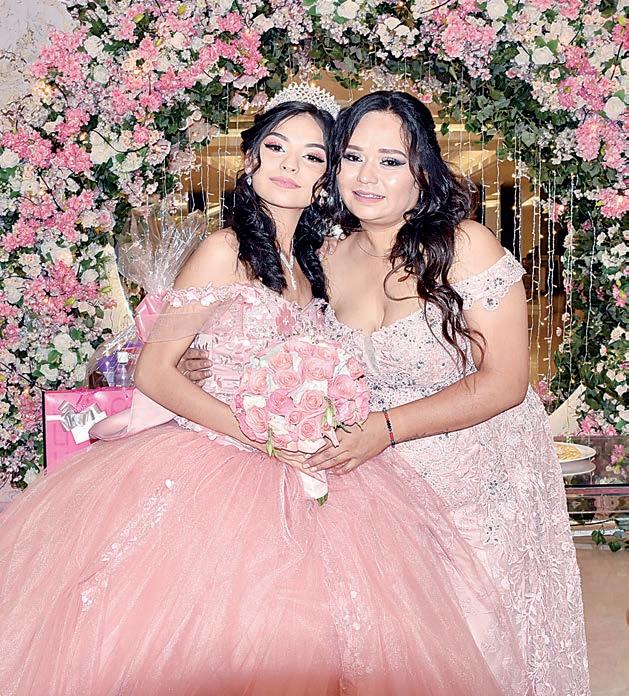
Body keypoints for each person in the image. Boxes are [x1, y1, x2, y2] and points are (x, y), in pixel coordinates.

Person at [0, 88, 528, 695]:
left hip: (314, 465)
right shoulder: (223, 248)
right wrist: (254, 426)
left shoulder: (314, 261)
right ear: (249, 159)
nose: (288, 166)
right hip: (224, 463)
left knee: (332, 629)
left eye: (312, 156)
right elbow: (153, 370)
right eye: (276, 148)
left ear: (324, 180)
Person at [304, 91, 588, 695]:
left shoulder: (466, 247)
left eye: (390, 161)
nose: (366, 177)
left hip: (482, 481)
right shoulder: (326, 257)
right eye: (352, 157)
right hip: (380, 484)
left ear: (422, 171)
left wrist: (385, 428)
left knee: (477, 646)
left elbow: (505, 380)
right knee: (394, 649)